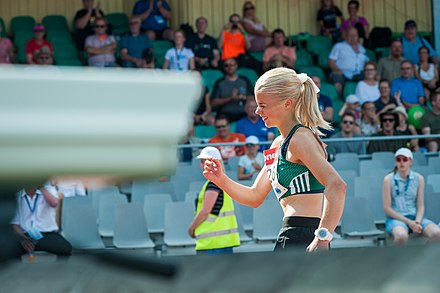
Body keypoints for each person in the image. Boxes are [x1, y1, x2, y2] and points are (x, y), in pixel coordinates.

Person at [202, 68, 346, 252]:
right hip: (292, 232)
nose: (257, 110)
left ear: (287, 104)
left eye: (263, 105)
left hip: (304, 234)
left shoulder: (299, 139)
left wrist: (323, 236)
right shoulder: (278, 143)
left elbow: (337, 185)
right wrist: (220, 179)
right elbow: (254, 197)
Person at [382, 148, 440, 245]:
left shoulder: (419, 178)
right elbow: (387, 208)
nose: (401, 162)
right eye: (398, 160)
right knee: (401, 236)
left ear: (411, 162)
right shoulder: (388, 179)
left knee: (437, 233)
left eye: (405, 159)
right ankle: (396, 259)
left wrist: (417, 222)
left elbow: (420, 205)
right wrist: (409, 222)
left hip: (415, 217)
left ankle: (424, 257)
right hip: (397, 219)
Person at [188, 146, 240, 254]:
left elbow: (205, 211)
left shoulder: (214, 184)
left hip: (212, 243)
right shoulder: (223, 181)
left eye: (206, 161)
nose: (203, 165)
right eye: (202, 162)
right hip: (223, 242)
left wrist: (191, 228)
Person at [10, 183, 72, 257]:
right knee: (9, 250)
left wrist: (41, 187)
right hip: (26, 235)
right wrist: (23, 238)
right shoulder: (18, 196)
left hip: (47, 235)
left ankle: (59, 267)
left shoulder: (48, 190)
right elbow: (14, 224)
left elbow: (54, 203)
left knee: (65, 248)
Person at [328, 27, 368, 98]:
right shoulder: (339, 46)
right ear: (345, 36)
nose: (353, 37)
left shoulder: (361, 48)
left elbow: (366, 61)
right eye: (350, 35)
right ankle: (339, 101)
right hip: (342, 73)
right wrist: (338, 70)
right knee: (337, 81)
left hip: (358, 73)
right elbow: (331, 61)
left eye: (355, 35)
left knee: (370, 78)